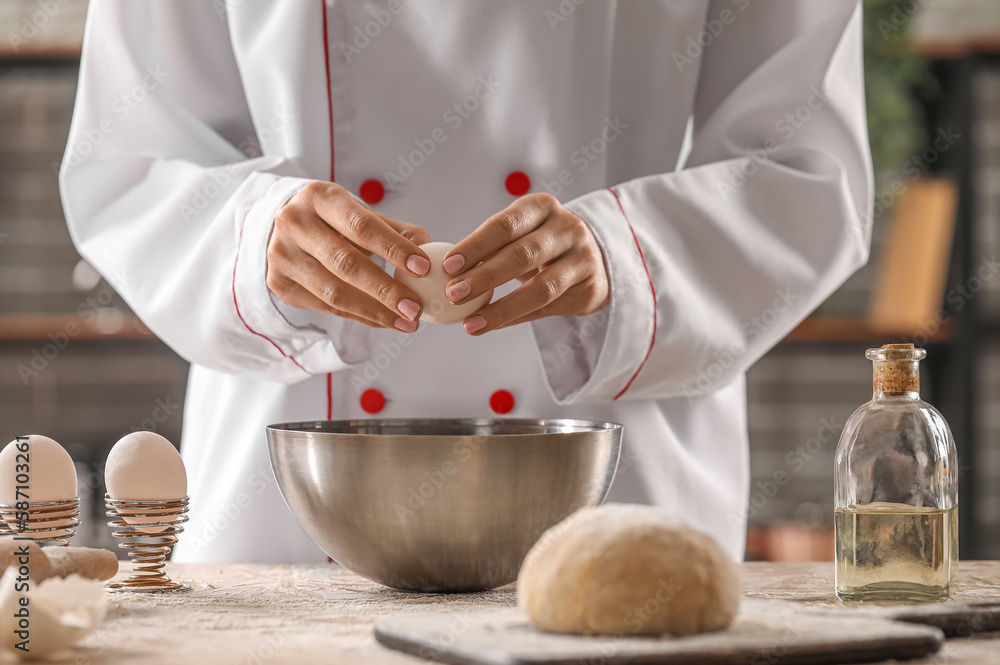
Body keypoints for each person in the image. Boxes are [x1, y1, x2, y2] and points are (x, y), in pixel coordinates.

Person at [60, 1, 872, 562]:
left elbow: (807, 169)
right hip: (287, 501)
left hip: (619, 483)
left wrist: (629, 253)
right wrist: (253, 240)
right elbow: (129, 155)